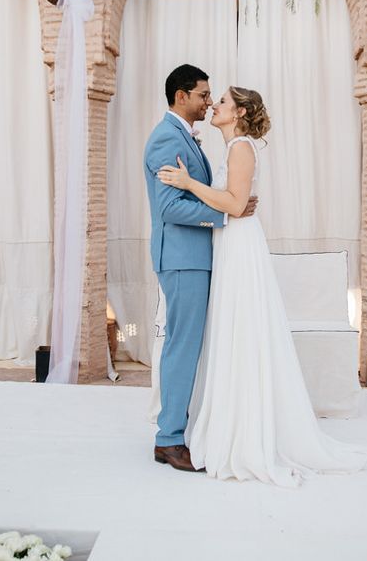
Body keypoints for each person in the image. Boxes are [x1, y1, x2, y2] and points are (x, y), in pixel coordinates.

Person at [157, 85, 367, 486]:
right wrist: (216, 196)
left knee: (241, 330)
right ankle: (228, 416)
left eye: (223, 103)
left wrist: (187, 183)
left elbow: (235, 205)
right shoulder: (234, 147)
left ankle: (244, 427)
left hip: (239, 245)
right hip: (229, 242)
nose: (215, 105)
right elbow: (234, 202)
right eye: (213, 100)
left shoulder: (241, 149)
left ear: (238, 113)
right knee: (231, 331)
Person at [143, 64, 256, 473]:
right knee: (181, 345)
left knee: (190, 345)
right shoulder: (164, 140)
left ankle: (182, 429)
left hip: (197, 258)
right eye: (203, 95)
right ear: (180, 96)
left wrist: (228, 204)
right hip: (181, 258)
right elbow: (170, 207)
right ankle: (169, 439)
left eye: (212, 96)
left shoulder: (185, 138)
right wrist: (226, 214)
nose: (208, 102)